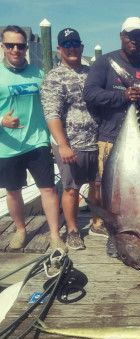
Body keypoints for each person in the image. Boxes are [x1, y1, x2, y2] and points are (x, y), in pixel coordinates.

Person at [83, 16, 140, 255]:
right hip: (111, 139)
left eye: (139, 36)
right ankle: (113, 236)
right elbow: (90, 94)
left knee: (138, 195)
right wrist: (122, 97)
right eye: (130, 35)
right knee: (113, 196)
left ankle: (138, 233)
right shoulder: (104, 62)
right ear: (121, 36)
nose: (134, 40)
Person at [0, 25, 65, 251]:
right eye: (10, 45)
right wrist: (2, 121)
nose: (15, 49)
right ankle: (20, 229)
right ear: (2, 47)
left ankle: (55, 235)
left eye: (20, 45)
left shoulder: (39, 74)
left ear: (26, 47)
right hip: (7, 146)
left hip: (38, 141)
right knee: (13, 191)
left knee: (47, 189)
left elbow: (52, 105)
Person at [41, 28, 102, 251]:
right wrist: (63, 145)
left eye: (75, 43)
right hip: (71, 145)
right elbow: (52, 114)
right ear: (59, 49)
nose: (72, 48)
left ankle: (97, 222)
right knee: (71, 190)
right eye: (67, 45)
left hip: (96, 141)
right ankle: (74, 230)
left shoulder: (92, 72)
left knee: (98, 185)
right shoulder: (54, 77)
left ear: (82, 47)